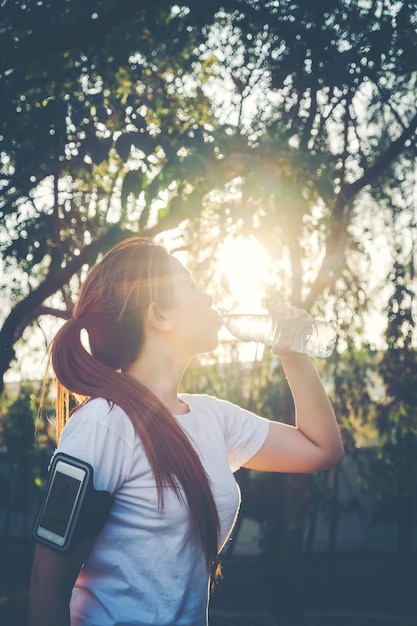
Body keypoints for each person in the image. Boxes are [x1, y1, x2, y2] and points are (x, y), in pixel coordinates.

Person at [29, 236, 344, 626]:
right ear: (160, 315)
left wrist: (293, 352)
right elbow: (47, 586)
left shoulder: (213, 418)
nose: (209, 296)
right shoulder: (102, 426)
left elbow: (321, 449)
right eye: (192, 285)